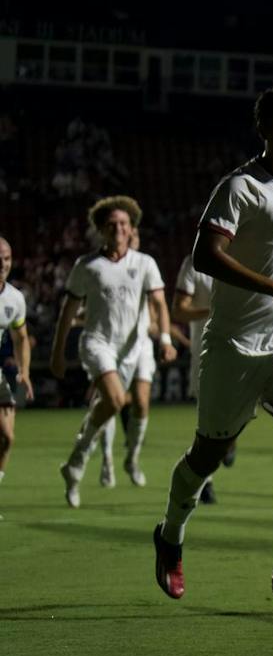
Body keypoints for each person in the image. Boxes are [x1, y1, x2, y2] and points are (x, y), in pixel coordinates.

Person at [151, 80, 273, 613]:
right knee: (208, 455)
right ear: (265, 131)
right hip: (235, 345)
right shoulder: (241, 187)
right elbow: (206, 256)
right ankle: (171, 534)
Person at [51, 196, 177, 507]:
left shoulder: (144, 263)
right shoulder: (86, 266)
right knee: (116, 400)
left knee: (122, 405)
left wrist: (164, 340)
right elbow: (68, 312)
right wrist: (57, 353)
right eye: (111, 224)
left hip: (133, 349)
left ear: (131, 227)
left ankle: (75, 465)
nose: (118, 228)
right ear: (101, 230)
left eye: (123, 223)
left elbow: (159, 304)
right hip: (97, 343)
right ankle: (81, 463)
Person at [95, 225, 165, 490]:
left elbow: (156, 317)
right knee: (111, 403)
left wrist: (160, 334)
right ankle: (107, 461)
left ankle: (132, 459)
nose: (130, 238)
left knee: (142, 402)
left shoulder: (146, 268)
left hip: (142, 345)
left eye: (135, 235)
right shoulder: (104, 269)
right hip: (111, 345)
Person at [172, 252, 235, 505]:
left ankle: (230, 443)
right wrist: (211, 310)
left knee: (235, 417)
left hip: (244, 348)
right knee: (208, 419)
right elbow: (179, 310)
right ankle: (205, 481)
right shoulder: (195, 262)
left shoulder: (249, 255)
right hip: (207, 351)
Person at [0, 236, 34, 518]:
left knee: (7, 437)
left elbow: (21, 337)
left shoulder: (15, 299)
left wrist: (24, 371)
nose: (3, 263)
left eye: (7, 258)